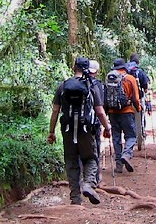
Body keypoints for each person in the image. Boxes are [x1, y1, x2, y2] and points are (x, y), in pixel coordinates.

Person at [48, 56, 111, 205]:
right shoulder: (91, 86)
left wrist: (51, 132)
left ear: (73, 67)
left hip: (68, 130)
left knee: (71, 161)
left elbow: (55, 111)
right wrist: (107, 128)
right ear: (87, 69)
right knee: (90, 158)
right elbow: (100, 112)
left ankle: (75, 198)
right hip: (86, 129)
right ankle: (88, 184)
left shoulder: (62, 86)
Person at [106, 58, 141, 173]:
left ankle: (119, 166)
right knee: (131, 136)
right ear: (124, 67)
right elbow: (136, 98)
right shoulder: (130, 79)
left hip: (112, 112)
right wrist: (138, 108)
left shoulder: (109, 78)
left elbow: (105, 97)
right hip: (126, 111)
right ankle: (126, 154)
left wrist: (106, 113)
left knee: (116, 138)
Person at [87, 59, 104, 182]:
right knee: (95, 148)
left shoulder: (74, 83)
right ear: (97, 71)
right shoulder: (97, 85)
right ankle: (95, 178)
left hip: (74, 123)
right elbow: (100, 107)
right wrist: (106, 125)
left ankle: (80, 179)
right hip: (94, 123)